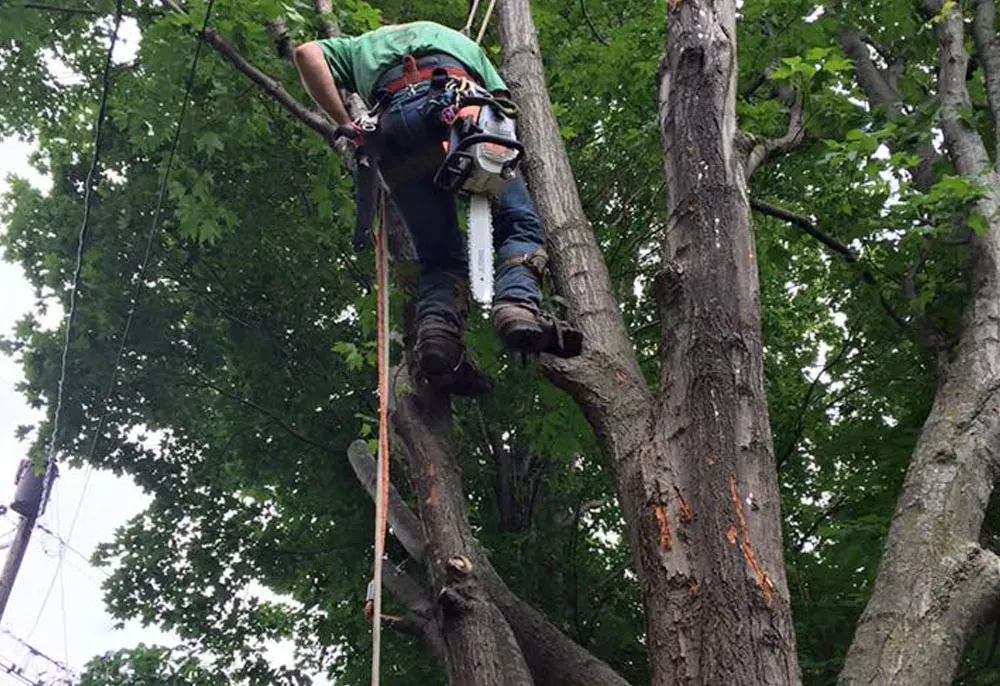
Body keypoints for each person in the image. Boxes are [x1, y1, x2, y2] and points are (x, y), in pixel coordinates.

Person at [292, 21, 580, 394]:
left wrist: (348, 125)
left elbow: (305, 54)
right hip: (461, 113)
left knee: (440, 258)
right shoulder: (460, 43)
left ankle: (438, 342)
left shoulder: (359, 46)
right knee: (517, 223)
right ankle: (516, 305)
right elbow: (501, 111)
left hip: (393, 133)